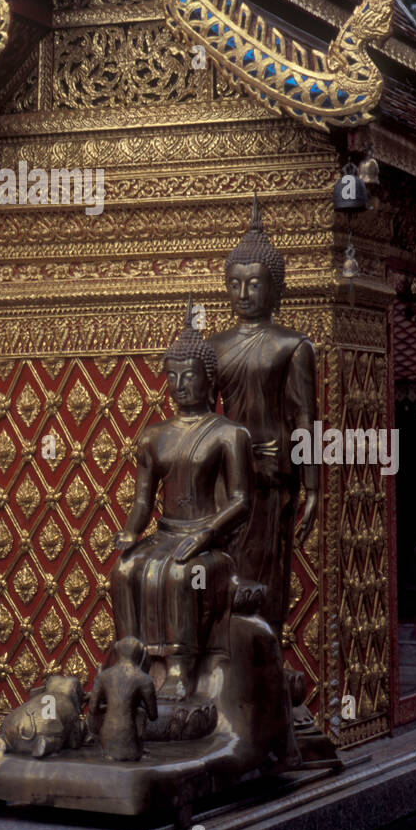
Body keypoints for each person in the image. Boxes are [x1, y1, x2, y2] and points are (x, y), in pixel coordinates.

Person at [111, 309, 252, 703]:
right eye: (172, 376)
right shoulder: (154, 436)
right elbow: (143, 501)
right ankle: (130, 660)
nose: (180, 384)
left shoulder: (228, 434)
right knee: (125, 570)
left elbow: (241, 501)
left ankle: (179, 668)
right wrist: (130, 531)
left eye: (189, 375)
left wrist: (207, 534)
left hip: (212, 543)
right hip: (166, 534)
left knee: (183, 576)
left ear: (209, 379)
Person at [207, 196, 318, 638]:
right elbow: (200, 416)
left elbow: (305, 417)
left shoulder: (293, 346)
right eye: (235, 284)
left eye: (254, 284)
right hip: (226, 476)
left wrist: (313, 485)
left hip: (272, 473)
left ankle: (264, 656)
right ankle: (228, 660)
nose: (244, 294)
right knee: (223, 568)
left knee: (266, 572)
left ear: (275, 287)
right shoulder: (214, 347)